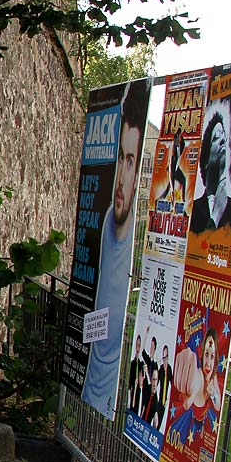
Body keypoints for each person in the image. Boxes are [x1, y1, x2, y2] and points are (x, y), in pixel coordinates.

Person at [81, 84, 147, 419]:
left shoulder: (134, 238)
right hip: (86, 392)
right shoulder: (106, 220)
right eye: (120, 157)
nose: (120, 177)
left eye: (131, 161)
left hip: (107, 403)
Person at [189, 104, 231, 234]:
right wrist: (216, 216)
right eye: (216, 138)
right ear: (206, 159)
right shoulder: (193, 209)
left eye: (223, 138)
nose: (222, 141)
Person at [167, 327, 223, 448]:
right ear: (202, 355)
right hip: (194, 421)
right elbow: (187, 404)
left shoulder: (213, 378)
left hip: (202, 420)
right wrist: (191, 394)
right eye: (206, 354)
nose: (208, 362)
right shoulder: (198, 376)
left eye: (212, 356)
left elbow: (218, 406)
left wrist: (212, 393)